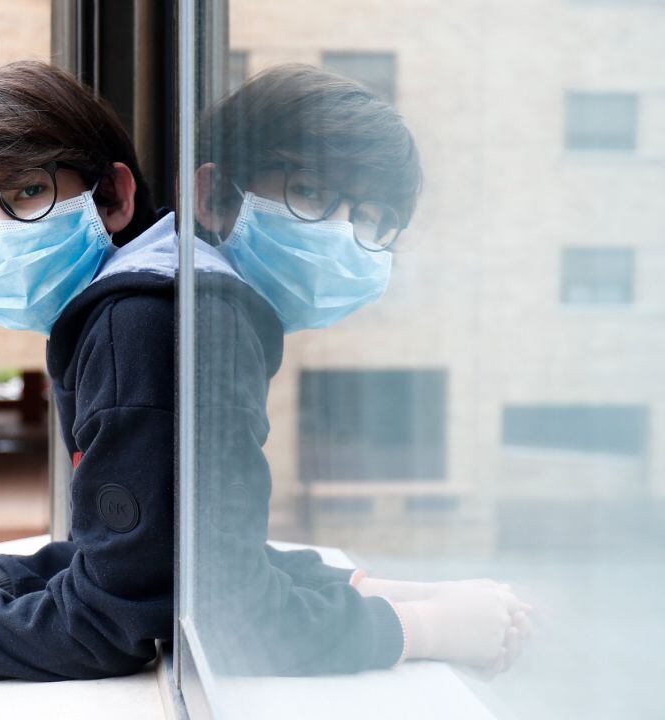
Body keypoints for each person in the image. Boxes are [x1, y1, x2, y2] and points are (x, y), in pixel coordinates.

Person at [0, 59, 530, 695]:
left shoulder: (144, 323)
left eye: (28, 194)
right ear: (209, 197)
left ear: (117, 196)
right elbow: (157, 556)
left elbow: (135, 619)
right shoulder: (170, 307)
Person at [189, 62, 533, 677]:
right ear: (214, 197)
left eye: (372, 218)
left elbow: (193, 557)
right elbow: (223, 613)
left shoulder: (199, 301)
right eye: (314, 193)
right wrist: (427, 627)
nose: (344, 236)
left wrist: (388, 588)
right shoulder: (206, 327)